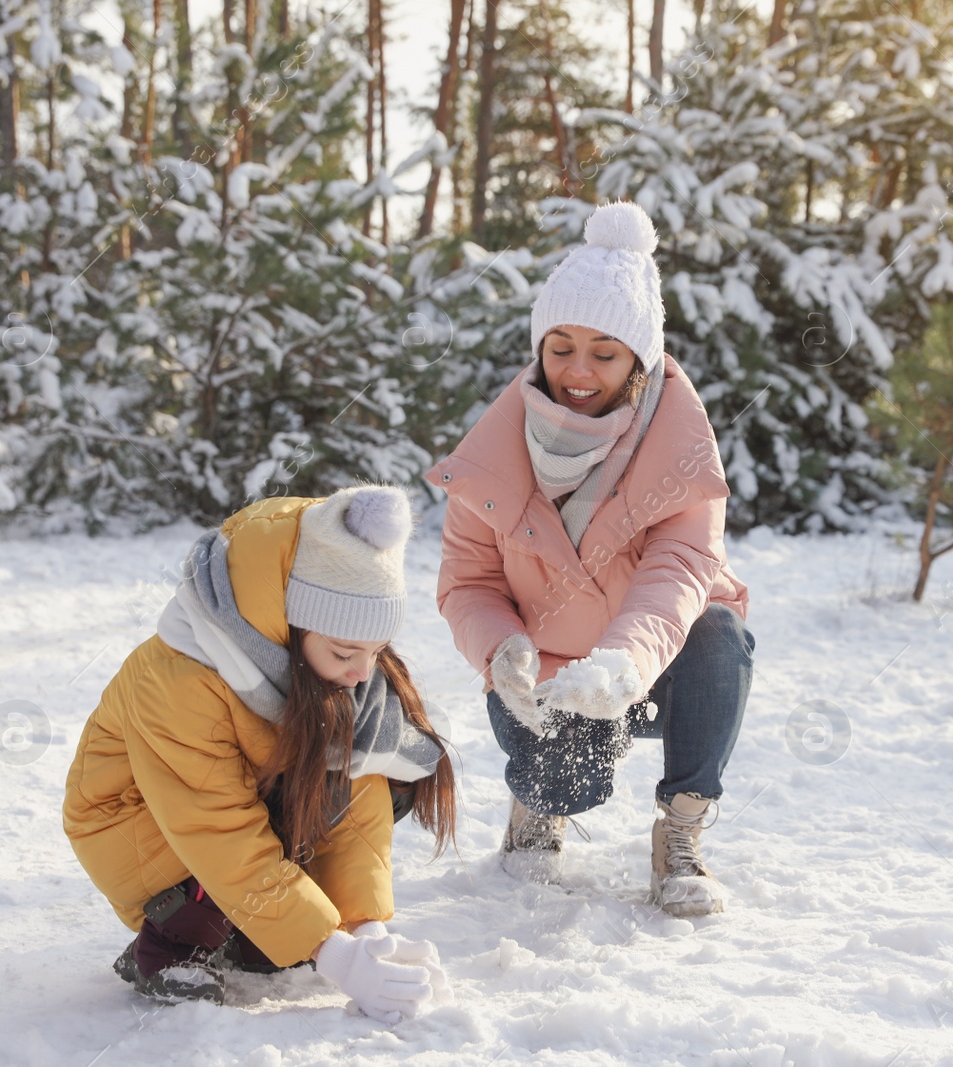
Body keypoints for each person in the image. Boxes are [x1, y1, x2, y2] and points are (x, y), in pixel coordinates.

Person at [424, 201, 754, 917]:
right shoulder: (495, 450)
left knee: (719, 633)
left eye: (604, 353)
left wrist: (622, 666)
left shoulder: (680, 447)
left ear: (640, 361)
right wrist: (502, 647)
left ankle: (683, 832)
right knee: (571, 781)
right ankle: (537, 806)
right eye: (560, 346)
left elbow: (680, 570)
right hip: (541, 677)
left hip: (643, 665)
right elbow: (466, 583)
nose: (577, 369)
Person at [62, 485, 455, 1017]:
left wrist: (365, 930)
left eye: (375, 652)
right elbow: (216, 828)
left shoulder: (331, 672)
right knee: (272, 879)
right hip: (138, 827)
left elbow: (356, 795)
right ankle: (170, 946)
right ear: (289, 629)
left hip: (227, 812)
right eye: (346, 653)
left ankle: (251, 932)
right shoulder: (179, 676)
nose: (363, 673)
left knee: (368, 765)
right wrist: (334, 956)